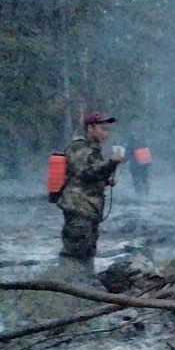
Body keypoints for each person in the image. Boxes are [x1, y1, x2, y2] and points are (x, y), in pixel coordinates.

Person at [56, 113, 123, 270]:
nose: (105, 133)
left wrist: (107, 180)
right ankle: (68, 286)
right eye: (102, 129)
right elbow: (85, 172)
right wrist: (111, 163)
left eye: (107, 130)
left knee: (87, 251)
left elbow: (90, 176)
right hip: (79, 208)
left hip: (89, 209)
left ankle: (84, 285)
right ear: (90, 128)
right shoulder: (80, 148)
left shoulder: (93, 150)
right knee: (74, 252)